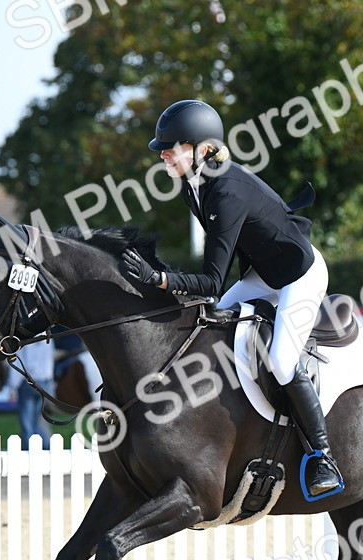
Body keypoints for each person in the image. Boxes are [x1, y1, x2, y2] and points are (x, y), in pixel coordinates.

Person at [119, 99, 342, 497]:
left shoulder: (225, 191)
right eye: (164, 148)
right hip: (263, 273)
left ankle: (321, 454)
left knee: (280, 359)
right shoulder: (195, 184)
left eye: (173, 146)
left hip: (299, 276)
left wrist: (159, 279)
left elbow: (211, 281)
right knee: (209, 323)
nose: (164, 153)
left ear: (203, 149)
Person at [11, 339, 55, 447]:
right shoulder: (48, 340)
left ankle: (28, 446)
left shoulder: (26, 341)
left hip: (29, 381)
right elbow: (50, 361)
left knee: (26, 419)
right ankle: (44, 445)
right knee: (38, 418)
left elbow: (18, 362)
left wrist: (13, 387)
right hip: (44, 382)